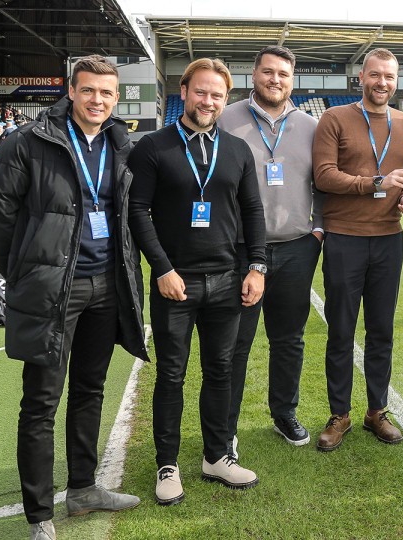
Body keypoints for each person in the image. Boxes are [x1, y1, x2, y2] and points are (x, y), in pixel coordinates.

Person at [0, 55, 148, 540]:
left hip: (107, 288)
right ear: (71, 91)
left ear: (116, 98)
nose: (98, 100)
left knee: (90, 390)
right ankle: (39, 516)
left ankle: (83, 488)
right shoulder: (29, 142)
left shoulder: (120, 144)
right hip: (56, 290)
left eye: (107, 93)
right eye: (89, 90)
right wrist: (26, 267)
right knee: (41, 402)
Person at [128, 58, 266, 505]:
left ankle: (217, 456)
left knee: (221, 371)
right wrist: (163, 269)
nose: (208, 101)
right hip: (176, 284)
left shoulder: (238, 150)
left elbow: (252, 213)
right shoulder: (152, 147)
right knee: (171, 375)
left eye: (218, 95)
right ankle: (167, 464)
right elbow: (137, 211)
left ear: (226, 101)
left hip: (227, 280)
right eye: (201, 92)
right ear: (184, 91)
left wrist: (257, 266)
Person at [312, 48, 403, 451]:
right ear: (362, 77)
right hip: (344, 238)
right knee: (341, 330)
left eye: (389, 77)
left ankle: (377, 411)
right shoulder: (334, 118)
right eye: (375, 75)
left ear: (396, 81)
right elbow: (324, 177)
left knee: (381, 331)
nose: (382, 83)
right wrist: (376, 183)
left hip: (389, 239)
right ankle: (339, 414)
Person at [217, 45, 323, 452]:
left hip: (297, 248)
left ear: (291, 79)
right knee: (235, 343)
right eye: (267, 72)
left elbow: (323, 184)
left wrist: (318, 231)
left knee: (289, 339)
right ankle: (225, 428)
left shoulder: (311, 127)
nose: (274, 79)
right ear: (254, 75)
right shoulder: (226, 119)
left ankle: (284, 413)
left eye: (282, 73)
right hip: (243, 251)